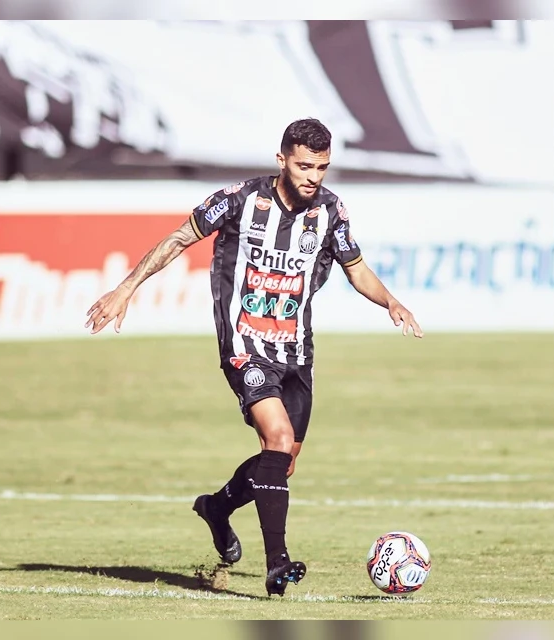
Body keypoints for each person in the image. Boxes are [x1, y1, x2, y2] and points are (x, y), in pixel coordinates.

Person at [85, 118, 424, 597]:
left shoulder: (331, 210)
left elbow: (356, 267)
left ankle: (218, 508)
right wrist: (126, 288)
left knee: (281, 462)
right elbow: (180, 237)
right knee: (279, 436)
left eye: (323, 167)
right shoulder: (240, 200)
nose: (314, 176)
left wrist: (390, 300)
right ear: (282, 158)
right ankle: (276, 564)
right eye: (305, 165)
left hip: (297, 351)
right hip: (245, 345)